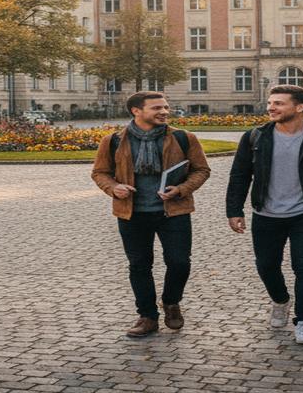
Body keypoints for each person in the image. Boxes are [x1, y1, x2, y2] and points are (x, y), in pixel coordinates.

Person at [226, 85, 303, 346]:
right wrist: (234, 210)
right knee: (266, 266)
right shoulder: (255, 137)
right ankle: (281, 300)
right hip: (266, 214)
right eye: (271, 102)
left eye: (279, 103)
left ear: (300, 107)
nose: (271, 107)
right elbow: (239, 176)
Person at [91, 91, 212, 338]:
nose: (164, 112)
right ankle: (147, 316)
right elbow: (100, 173)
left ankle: (171, 301)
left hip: (174, 211)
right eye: (157, 108)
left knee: (179, 263)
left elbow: (201, 170)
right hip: (132, 213)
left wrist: (181, 189)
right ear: (137, 111)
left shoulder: (183, 138)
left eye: (166, 107)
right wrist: (114, 187)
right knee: (139, 266)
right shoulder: (113, 140)